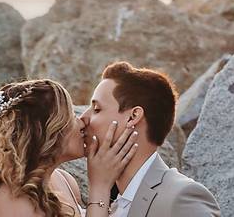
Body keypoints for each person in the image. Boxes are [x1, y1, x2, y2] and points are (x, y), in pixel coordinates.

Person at [0, 78, 137, 217]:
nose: (81, 123)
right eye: (69, 115)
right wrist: (100, 185)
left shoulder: (63, 180)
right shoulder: (7, 197)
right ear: (44, 132)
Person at [80, 62, 222, 216]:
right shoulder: (112, 207)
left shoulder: (182, 197)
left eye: (96, 109)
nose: (83, 118)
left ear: (133, 116)